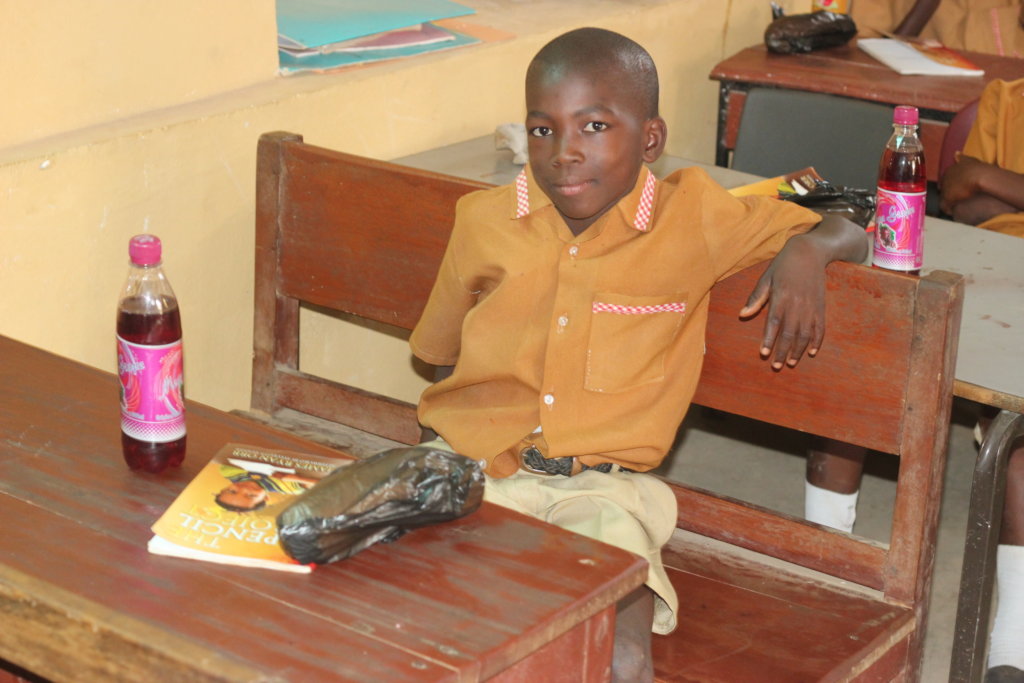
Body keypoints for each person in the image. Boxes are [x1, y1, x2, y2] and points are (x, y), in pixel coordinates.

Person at [409, 28, 868, 682]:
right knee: (403, 614)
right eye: (543, 130)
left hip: (599, 492)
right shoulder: (484, 219)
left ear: (650, 139)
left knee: (622, 654)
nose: (564, 153)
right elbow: (438, 352)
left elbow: (848, 223)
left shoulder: (695, 220)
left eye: (594, 125)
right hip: (466, 464)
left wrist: (808, 250)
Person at [811, 77, 1024, 683]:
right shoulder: (1005, 99)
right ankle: (828, 579)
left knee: (1020, 447)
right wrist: (987, 186)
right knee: (864, 367)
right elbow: (961, 195)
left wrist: (995, 180)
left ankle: (1013, 647)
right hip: (982, 265)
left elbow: (981, 187)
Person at [214, 460, 318, 512]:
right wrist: (297, 479)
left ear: (224, 489)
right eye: (251, 496)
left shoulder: (228, 471)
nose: (244, 489)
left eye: (232, 491)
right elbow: (322, 483)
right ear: (266, 497)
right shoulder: (289, 488)